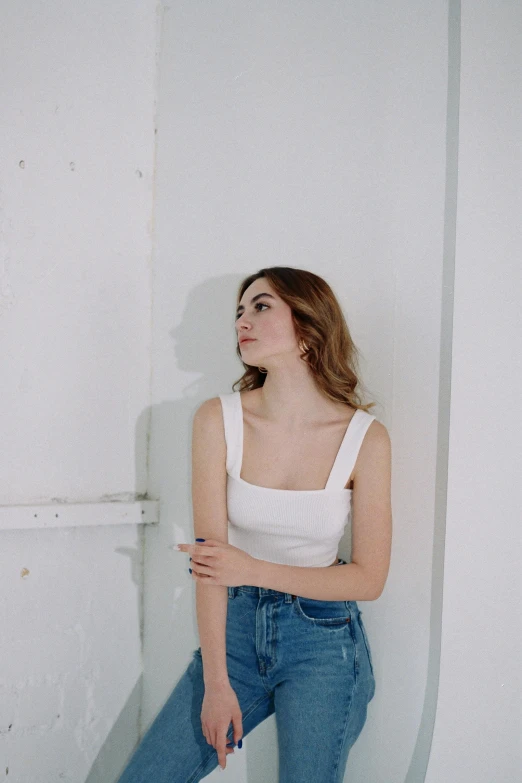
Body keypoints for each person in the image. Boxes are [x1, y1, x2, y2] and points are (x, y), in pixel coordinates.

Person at [117, 266, 392, 782]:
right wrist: (217, 682)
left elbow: (367, 579)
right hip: (235, 633)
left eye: (261, 306)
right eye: (240, 310)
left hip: (325, 643)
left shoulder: (365, 438)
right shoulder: (216, 419)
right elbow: (211, 564)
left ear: (309, 327)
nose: (243, 319)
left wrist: (250, 567)